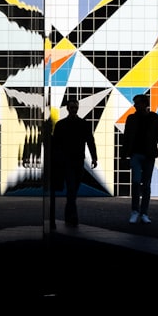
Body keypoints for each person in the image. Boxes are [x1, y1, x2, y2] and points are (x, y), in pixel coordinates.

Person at [50, 97, 98, 227]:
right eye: (72, 107)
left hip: (78, 160)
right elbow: (55, 144)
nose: (73, 110)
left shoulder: (81, 124)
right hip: (67, 161)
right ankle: (72, 216)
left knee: (73, 189)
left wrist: (94, 157)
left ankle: (69, 213)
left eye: (75, 108)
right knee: (72, 188)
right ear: (68, 108)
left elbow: (90, 141)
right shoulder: (62, 125)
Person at [123, 93, 158, 224]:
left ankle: (143, 213)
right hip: (135, 154)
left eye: (137, 103)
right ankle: (135, 211)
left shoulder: (155, 118)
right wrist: (124, 155)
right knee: (137, 182)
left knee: (146, 185)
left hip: (149, 155)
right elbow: (126, 138)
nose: (135, 105)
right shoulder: (131, 118)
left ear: (144, 104)